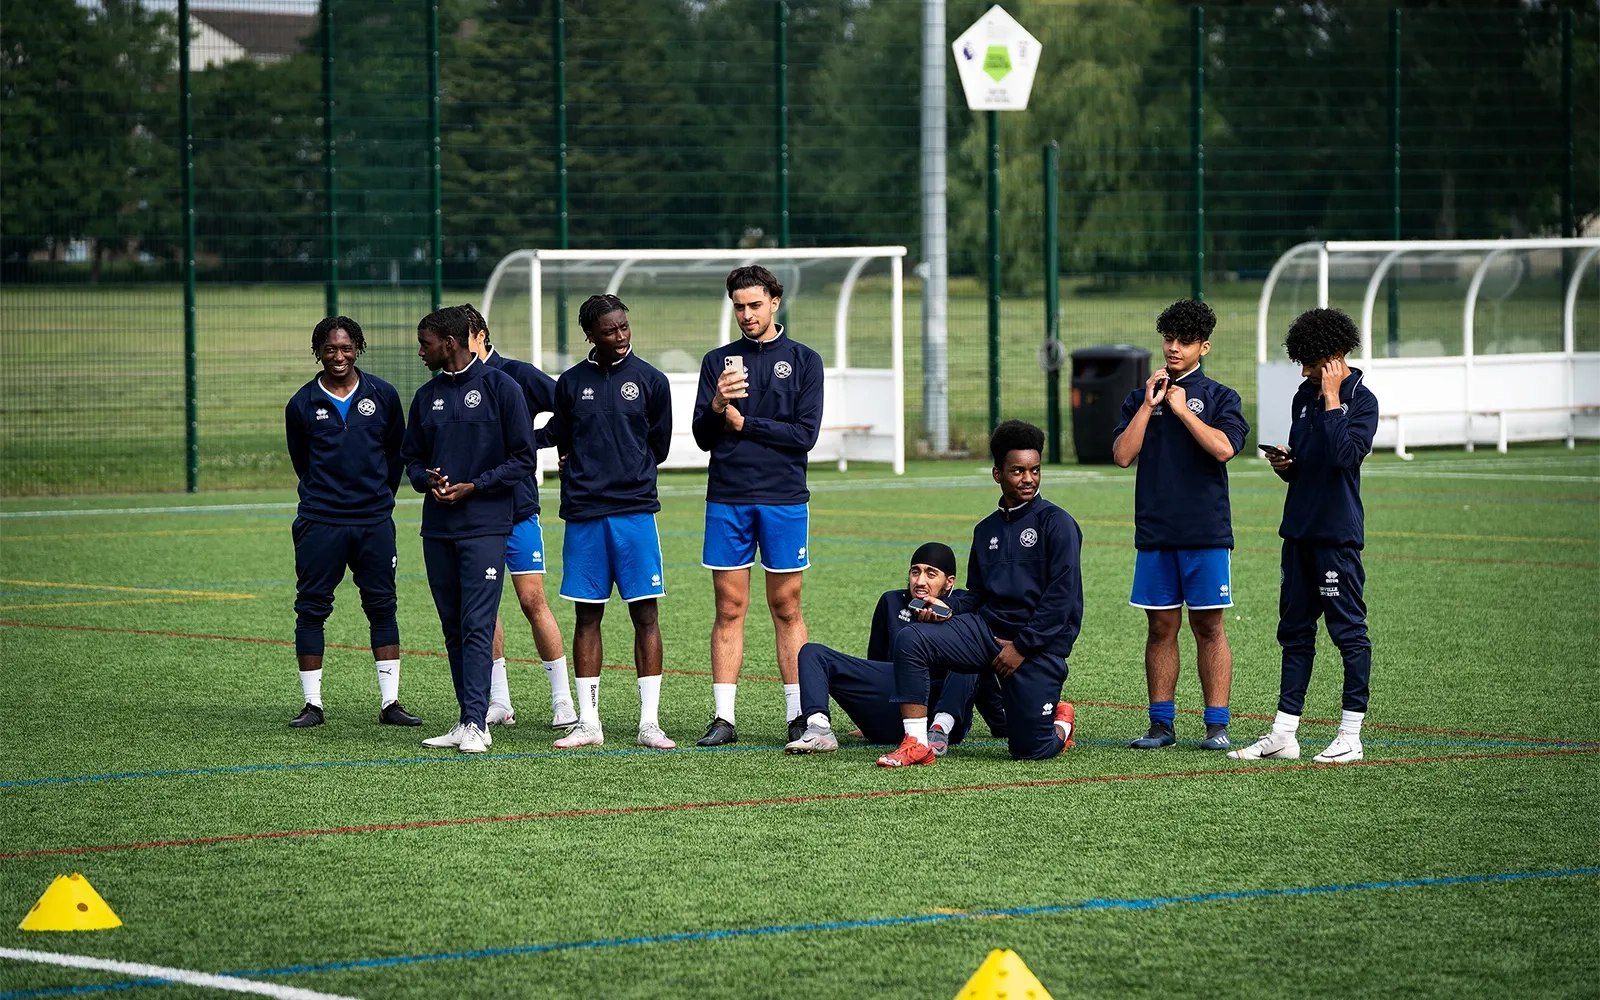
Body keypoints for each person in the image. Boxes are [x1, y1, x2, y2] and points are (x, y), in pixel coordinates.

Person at [878, 421, 1082, 767]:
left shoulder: (1057, 524)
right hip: (986, 634)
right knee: (911, 639)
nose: (1028, 479)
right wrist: (946, 606)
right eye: (1017, 471)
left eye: (1034, 470)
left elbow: (1062, 600)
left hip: (1035, 647)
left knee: (1027, 750)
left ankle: (1060, 723)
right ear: (997, 474)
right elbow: (978, 594)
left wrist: (1022, 647)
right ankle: (917, 741)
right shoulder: (985, 529)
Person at [1232, 307, 1379, 764]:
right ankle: (1284, 734)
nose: (1304, 371)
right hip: (1297, 533)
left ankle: (1350, 735)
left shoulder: (1361, 399)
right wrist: (1288, 466)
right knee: (1294, 633)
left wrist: (1334, 398)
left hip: (1336, 537)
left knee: (1348, 633)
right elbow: (1314, 462)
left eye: (1312, 362)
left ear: (1336, 355)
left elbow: (1343, 458)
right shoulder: (1302, 395)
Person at [690, 265, 824, 747]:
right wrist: (714, 406)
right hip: (728, 497)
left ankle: (799, 714)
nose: (746, 315)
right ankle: (724, 718)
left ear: (775, 303)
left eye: (754, 305)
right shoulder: (718, 361)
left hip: (785, 499)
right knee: (729, 607)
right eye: (739, 306)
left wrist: (744, 424)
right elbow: (704, 438)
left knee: (786, 606)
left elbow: (803, 436)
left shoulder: (805, 361)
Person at [1111, 300, 1249, 751]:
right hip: (1155, 535)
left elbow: (1224, 448)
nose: (1173, 348)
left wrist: (1184, 410)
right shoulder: (1141, 397)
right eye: (1168, 339)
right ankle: (1160, 725)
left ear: (1203, 347)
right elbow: (1122, 455)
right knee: (1160, 629)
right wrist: (1150, 407)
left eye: (1184, 341)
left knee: (1209, 629)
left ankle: (1217, 725)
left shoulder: (1222, 397)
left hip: (1206, 534)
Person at [401, 306, 537, 754]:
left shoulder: (503, 387)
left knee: (477, 622)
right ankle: (465, 719)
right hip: (437, 528)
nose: (420, 351)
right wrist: (429, 481)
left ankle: (478, 723)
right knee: (452, 626)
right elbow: (412, 460)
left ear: (450, 343)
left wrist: (474, 486)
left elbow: (523, 459)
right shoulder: (426, 396)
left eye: (426, 343)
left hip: (484, 525)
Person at [545, 294, 675, 750]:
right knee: (587, 616)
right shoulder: (570, 383)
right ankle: (589, 722)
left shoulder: (651, 381)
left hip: (635, 512)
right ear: (590, 335)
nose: (620, 337)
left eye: (624, 327)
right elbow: (561, 435)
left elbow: (658, 445)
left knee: (645, 613)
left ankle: (649, 723)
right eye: (609, 330)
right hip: (584, 512)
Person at [282, 316, 421, 729]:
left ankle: (390, 703)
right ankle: (312, 705)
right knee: (311, 609)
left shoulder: (383, 395)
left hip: (374, 521)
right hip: (320, 522)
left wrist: (378, 498)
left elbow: (396, 454)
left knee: (382, 607)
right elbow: (301, 462)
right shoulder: (301, 404)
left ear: (358, 348)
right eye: (330, 349)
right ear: (317, 352)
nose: (338, 356)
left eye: (346, 348)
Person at [460, 304, 576, 730]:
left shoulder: (518, 373)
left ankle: (563, 701)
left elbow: (568, 410)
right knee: (484, 607)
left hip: (518, 507)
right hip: (473, 513)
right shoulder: (452, 384)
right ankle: (499, 701)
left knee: (532, 601)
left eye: (462, 335)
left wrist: (538, 440)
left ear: (481, 335)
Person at [785, 542, 1008, 755]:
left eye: (931, 574)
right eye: (915, 572)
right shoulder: (891, 601)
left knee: (967, 660)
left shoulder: (963, 606)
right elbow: (876, 662)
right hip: (896, 706)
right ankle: (818, 728)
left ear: (949, 582)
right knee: (812, 652)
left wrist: (1000, 723)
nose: (920, 581)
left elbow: (981, 669)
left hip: (943, 713)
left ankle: (940, 728)